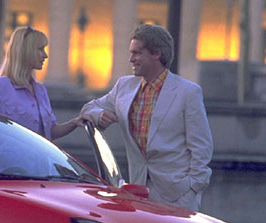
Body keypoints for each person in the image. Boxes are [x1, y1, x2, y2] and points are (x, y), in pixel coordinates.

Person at [81, 24, 213, 211]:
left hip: (178, 196)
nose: (131, 59)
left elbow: (202, 147)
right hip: (138, 193)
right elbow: (89, 107)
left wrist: (192, 188)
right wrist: (100, 114)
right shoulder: (124, 86)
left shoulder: (188, 92)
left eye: (136, 53)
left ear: (156, 54)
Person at [0, 26, 83, 141]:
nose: (45, 55)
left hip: (38, 158)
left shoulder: (40, 90)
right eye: (40, 49)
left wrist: (75, 123)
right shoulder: (1, 86)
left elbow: (50, 131)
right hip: (10, 158)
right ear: (26, 51)